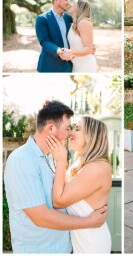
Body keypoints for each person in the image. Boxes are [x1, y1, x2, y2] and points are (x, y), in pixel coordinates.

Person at [4, 101, 107, 253]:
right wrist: (88, 221)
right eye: (68, 128)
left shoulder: (53, 158)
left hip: (64, 248)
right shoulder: (22, 160)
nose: (69, 133)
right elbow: (41, 217)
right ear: (51, 128)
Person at [46, 117, 112, 253]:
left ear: (91, 136)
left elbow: (58, 201)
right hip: (81, 240)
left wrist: (61, 161)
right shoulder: (81, 164)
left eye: (78, 129)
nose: (71, 133)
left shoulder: (96, 168)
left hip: (91, 244)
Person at [35, 0, 73, 72]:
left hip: (68, 65)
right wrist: (58, 51)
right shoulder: (42, 19)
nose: (68, 3)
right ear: (57, 0)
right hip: (49, 66)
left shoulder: (69, 18)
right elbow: (44, 41)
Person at [66, 0, 97, 72]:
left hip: (86, 66)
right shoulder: (74, 24)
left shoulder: (83, 22)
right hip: (77, 65)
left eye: (73, 3)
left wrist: (71, 53)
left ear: (79, 7)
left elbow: (89, 49)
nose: (70, 4)